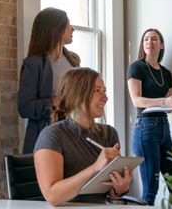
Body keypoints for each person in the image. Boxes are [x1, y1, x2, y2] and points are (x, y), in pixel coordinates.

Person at [34, 67, 132, 206]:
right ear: (77, 95)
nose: (105, 97)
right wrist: (95, 168)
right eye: (97, 90)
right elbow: (52, 195)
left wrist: (119, 190)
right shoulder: (52, 135)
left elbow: (109, 195)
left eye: (104, 90)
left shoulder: (109, 134)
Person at [126, 28, 172, 205]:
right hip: (146, 128)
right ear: (143, 45)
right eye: (146, 39)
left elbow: (166, 106)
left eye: (154, 39)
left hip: (164, 126)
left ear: (162, 45)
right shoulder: (137, 67)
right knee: (151, 188)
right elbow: (137, 101)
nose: (150, 42)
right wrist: (164, 102)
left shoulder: (166, 73)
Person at [17, 7, 80, 153]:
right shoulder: (34, 64)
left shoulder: (74, 60)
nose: (72, 29)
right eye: (67, 25)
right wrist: (55, 101)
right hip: (48, 137)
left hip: (75, 133)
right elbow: (24, 107)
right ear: (55, 29)